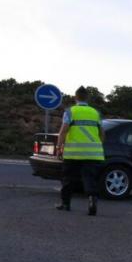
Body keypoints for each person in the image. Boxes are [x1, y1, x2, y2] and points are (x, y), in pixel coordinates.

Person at [55, 86, 105, 216]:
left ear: (75, 97)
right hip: (93, 154)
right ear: (87, 98)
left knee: (68, 179)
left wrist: (59, 148)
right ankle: (92, 200)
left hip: (73, 153)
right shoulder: (96, 113)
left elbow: (63, 131)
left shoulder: (70, 112)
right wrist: (99, 146)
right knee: (90, 179)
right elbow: (102, 133)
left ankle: (65, 204)